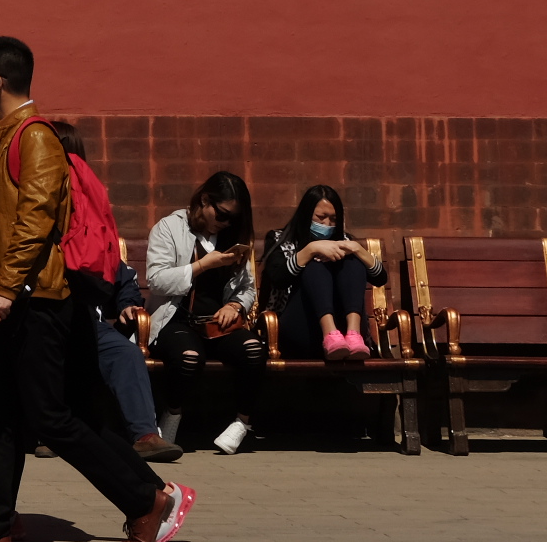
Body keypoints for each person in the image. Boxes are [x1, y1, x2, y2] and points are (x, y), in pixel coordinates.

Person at [0, 38, 190, 542]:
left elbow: (35, 217)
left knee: (51, 416)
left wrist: (4, 287)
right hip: (17, 298)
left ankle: (145, 498)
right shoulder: (9, 134)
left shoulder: (34, 136)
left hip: (36, 300)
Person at [48, 126, 181, 464]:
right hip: (46, 312)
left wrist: (127, 305)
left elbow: (117, 272)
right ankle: (55, 432)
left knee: (125, 353)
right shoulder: (40, 204)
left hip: (86, 319)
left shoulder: (87, 206)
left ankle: (145, 435)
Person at [144, 171, 265, 456]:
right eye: (222, 214)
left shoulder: (232, 235)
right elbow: (157, 280)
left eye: (233, 218)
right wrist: (203, 265)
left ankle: (241, 423)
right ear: (204, 200)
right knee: (189, 358)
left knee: (254, 351)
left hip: (218, 323)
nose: (225, 222)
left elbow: (248, 289)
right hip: (177, 318)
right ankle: (172, 415)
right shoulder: (170, 228)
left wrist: (235, 306)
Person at [259, 185, 387, 362]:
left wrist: (358, 250)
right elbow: (278, 279)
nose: (327, 224)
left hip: (343, 328)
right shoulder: (281, 239)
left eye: (333, 219)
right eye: (321, 218)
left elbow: (380, 278)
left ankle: (353, 334)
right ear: (306, 214)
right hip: (300, 324)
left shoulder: (345, 241)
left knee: (351, 261)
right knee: (314, 265)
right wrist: (310, 250)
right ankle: (329, 334)